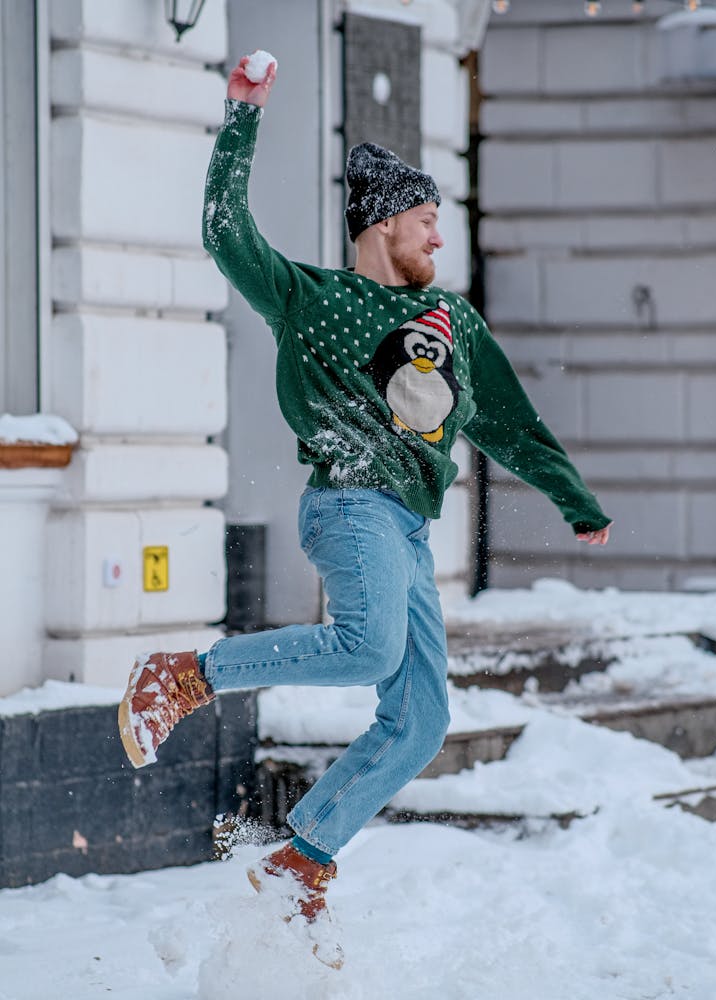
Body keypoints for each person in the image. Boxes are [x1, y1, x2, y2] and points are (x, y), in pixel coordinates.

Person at [118, 55, 611, 965]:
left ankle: (303, 858)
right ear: (385, 222)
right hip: (347, 503)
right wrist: (241, 119)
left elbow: (507, 419)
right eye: (428, 222)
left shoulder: (452, 322)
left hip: (409, 529)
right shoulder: (315, 301)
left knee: (421, 716)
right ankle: (182, 675)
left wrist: (573, 498)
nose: (437, 240)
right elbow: (226, 235)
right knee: (371, 647)